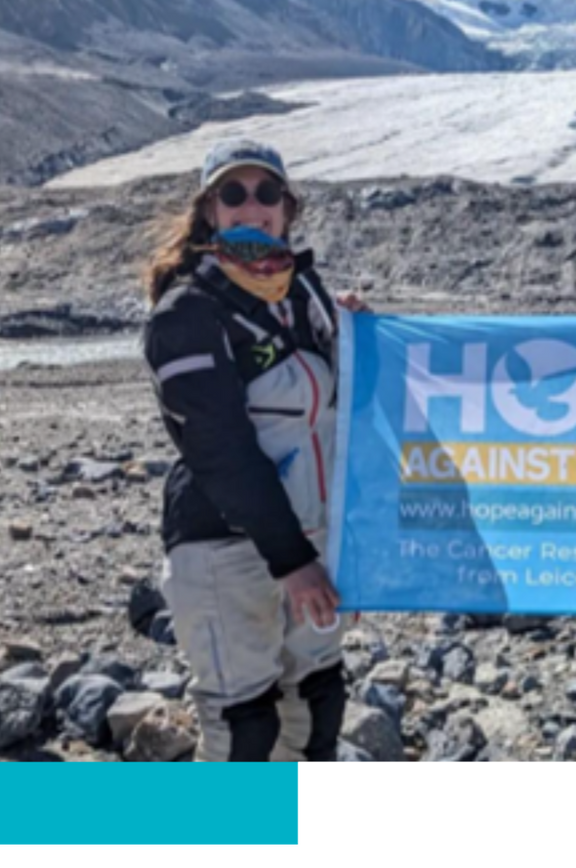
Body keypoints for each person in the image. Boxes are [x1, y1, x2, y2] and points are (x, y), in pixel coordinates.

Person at [139, 139, 368, 761]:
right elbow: (220, 450)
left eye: (267, 193)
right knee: (247, 727)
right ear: (209, 211)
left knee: (318, 702)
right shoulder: (186, 313)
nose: (252, 206)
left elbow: (346, 409)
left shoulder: (306, 294)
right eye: (233, 193)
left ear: (287, 209)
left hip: (315, 537)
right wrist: (292, 561)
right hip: (225, 548)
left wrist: (361, 336)